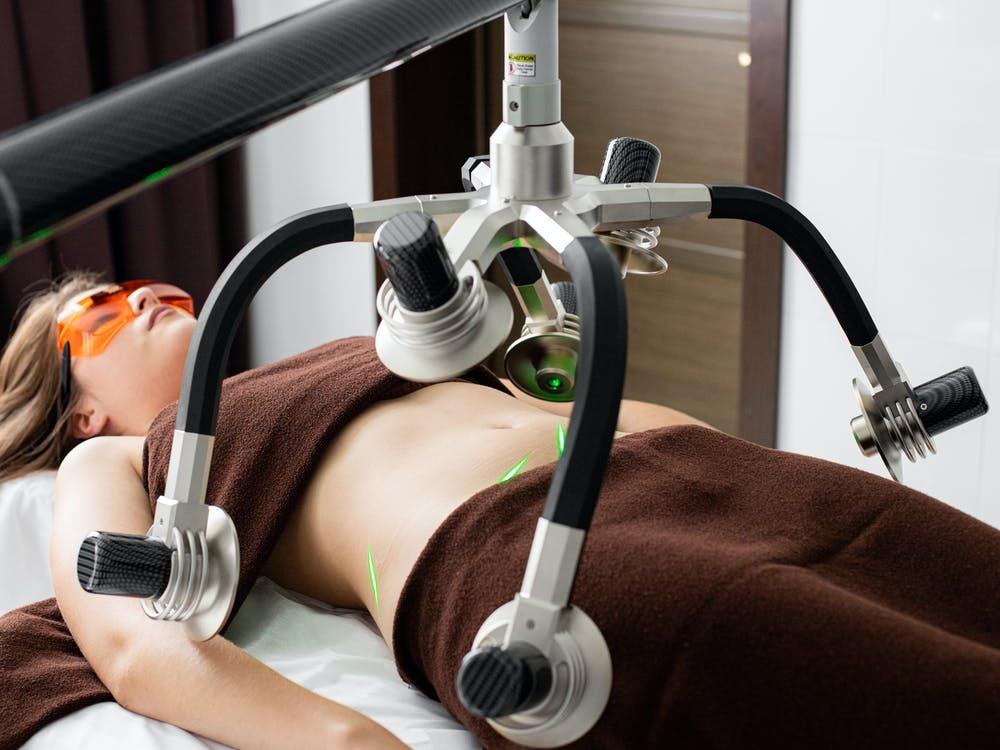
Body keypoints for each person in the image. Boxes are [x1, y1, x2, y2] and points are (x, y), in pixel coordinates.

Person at [0, 271, 706, 748]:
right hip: (550, 558)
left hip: (686, 476)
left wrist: (722, 454)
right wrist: (355, 742)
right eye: (95, 316)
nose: (145, 298)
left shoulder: (327, 361)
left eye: (150, 290)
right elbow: (136, 648)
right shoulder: (108, 462)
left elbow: (558, 410)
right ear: (81, 413)